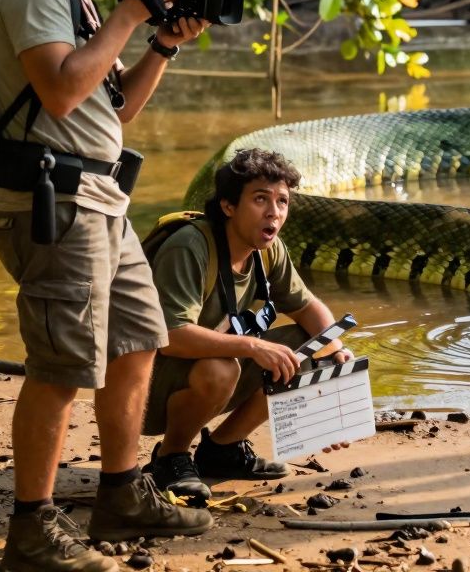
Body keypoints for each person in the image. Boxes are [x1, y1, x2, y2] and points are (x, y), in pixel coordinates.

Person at [0, 0, 214, 572]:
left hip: (99, 197)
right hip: (53, 203)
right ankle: (33, 529)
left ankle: (121, 496)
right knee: (61, 367)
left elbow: (115, 112)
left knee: (138, 339)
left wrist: (162, 45)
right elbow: (57, 91)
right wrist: (129, 11)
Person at [142, 148, 351, 503]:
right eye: (260, 199)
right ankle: (170, 457)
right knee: (222, 366)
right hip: (142, 389)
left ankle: (222, 450)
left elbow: (308, 307)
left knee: (311, 346)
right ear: (228, 206)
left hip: (206, 374)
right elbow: (169, 336)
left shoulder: (269, 250)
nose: (274, 212)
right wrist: (253, 346)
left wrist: (336, 354)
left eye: (282, 201)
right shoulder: (190, 246)